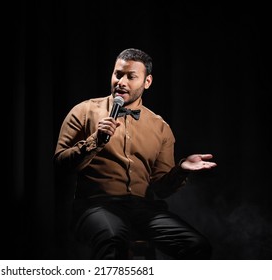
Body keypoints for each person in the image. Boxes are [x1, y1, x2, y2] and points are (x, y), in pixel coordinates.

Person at [53, 48, 217, 260]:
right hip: (95, 205)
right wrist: (96, 140)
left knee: (197, 246)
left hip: (144, 209)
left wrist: (181, 169)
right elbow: (60, 163)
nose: (121, 82)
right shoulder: (84, 112)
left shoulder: (160, 127)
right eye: (118, 74)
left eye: (131, 77)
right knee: (113, 241)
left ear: (147, 82)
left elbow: (161, 188)